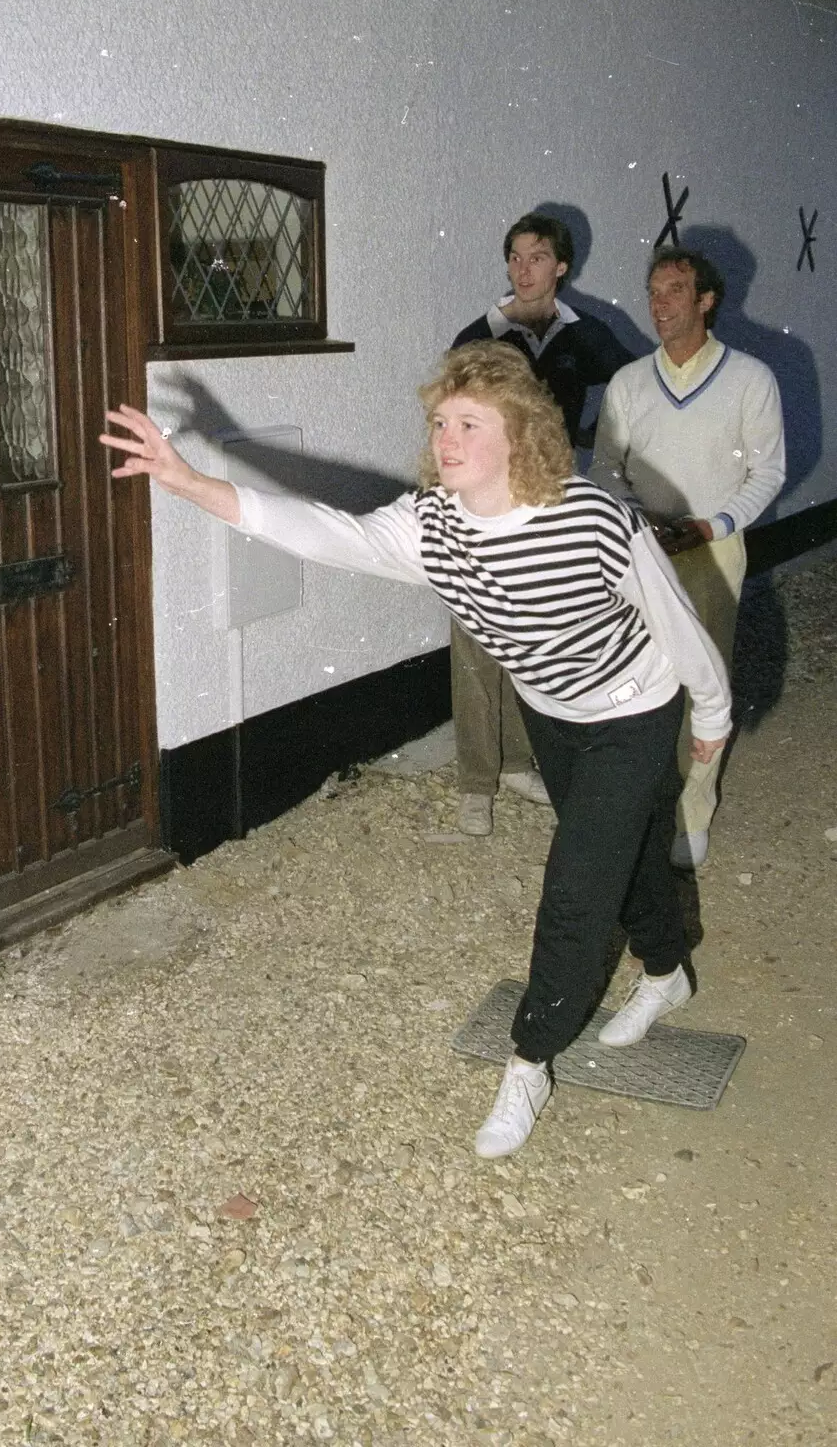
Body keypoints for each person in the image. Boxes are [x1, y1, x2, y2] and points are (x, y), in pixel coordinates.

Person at [99, 341, 731, 1160]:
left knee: (577, 883)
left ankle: (529, 1060)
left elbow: (670, 613)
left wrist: (710, 707)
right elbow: (322, 532)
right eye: (440, 421)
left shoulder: (590, 516)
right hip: (550, 711)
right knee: (626, 847)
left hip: (632, 708)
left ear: (522, 436)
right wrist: (189, 483)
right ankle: (665, 970)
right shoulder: (431, 527)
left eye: (470, 422)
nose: (447, 438)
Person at [590, 247, 785, 869]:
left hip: (712, 549)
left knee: (703, 675)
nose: (660, 304)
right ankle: (637, 805)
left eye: (675, 291)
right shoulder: (629, 382)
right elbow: (605, 468)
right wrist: (635, 520)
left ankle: (691, 811)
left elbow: (768, 471)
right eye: (652, 291)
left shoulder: (750, 378)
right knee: (636, 675)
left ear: (707, 301)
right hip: (641, 547)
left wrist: (712, 523)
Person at [448, 212, 635, 835]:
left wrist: (594, 444)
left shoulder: (588, 335)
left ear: (561, 267)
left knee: (538, 630)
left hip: (549, 501)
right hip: (480, 505)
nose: (524, 268)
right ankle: (477, 782)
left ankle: (521, 763)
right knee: (476, 637)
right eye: (516, 256)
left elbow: (634, 388)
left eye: (538, 256)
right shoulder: (479, 337)